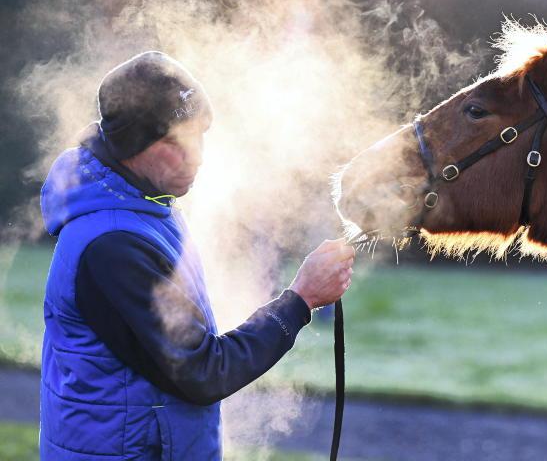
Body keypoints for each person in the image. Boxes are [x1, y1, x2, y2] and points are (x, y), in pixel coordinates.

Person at [38, 51, 355, 460]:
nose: (199, 155)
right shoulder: (114, 243)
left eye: (202, 134)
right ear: (134, 144)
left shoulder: (145, 203)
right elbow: (203, 372)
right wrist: (301, 299)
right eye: (178, 142)